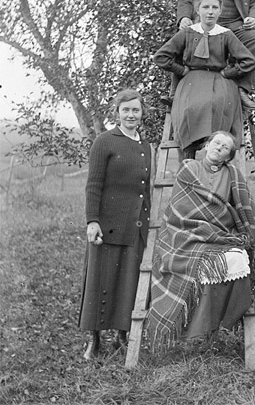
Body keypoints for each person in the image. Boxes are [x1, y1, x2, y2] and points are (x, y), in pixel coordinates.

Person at [146, 131, 255, 348]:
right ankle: (195, 330)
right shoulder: (189, 168)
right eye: (216, 143)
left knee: (235, 259)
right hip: (185, 234)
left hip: (218, 236)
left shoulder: (233, 175)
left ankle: (216, 324)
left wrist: (224, 225)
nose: (219, 148)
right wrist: (207, 223)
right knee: (201, 264)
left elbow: (238, 210)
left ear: (228, 156)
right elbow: (181, 208)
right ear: (207, 145)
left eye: (225, 147)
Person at [78, 89, 152, 360]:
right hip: (106, 227)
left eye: (135, 110)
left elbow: (145, 189)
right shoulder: (105, 141)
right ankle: (94, 339)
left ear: (142, 113)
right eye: (126, 110)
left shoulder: (147, 147)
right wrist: (92, 221)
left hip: (135, 226)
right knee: (100, 281)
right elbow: (93, 185)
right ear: (117, 113)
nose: (131, 115)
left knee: (128, 282)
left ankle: (122, 336)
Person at [154, 0, 255, 159]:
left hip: (219, 81)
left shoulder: (225, 34)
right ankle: (189, 153)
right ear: (197, 9)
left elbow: (249, 61)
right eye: (206, 7)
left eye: (215, 7)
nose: (210, 12)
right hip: (191, 81)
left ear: (220, 10)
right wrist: (182, 70)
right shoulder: (187, 32)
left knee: (215, 104)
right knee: (189, 108)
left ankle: (215, 153)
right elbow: (161, 57)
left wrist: (229, 72)